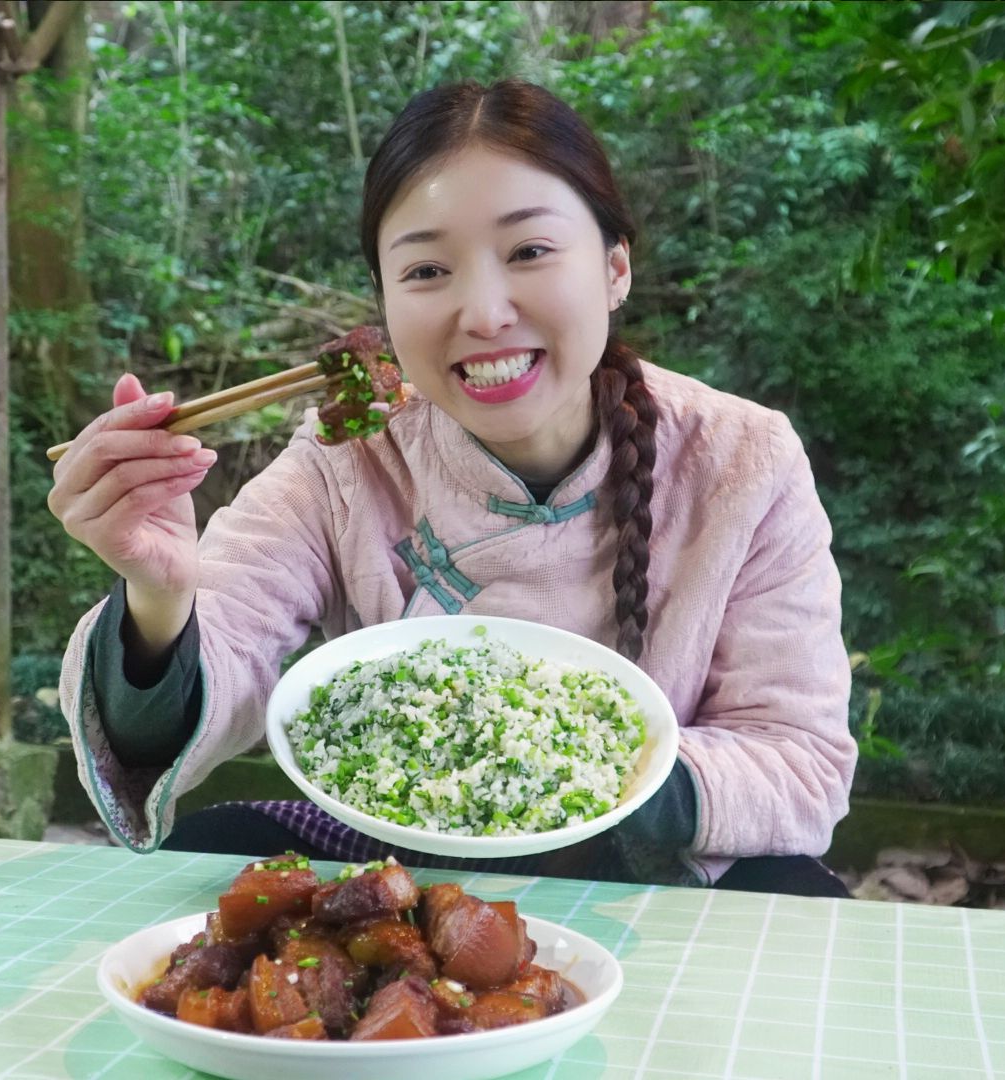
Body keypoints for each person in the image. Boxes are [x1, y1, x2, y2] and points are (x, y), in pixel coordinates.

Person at [48, 79, 855, 898]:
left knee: (801, 896)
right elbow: (225, 634)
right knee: (212, 852)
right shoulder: (348, 456)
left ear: (615, 268)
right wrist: (158, 595)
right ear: (387, 301)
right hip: (398, 879)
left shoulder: (743, 460)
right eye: (428, 269)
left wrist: (557, 773)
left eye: (530, 252)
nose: (484, 312)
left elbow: (797, 758)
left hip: (658, 871)